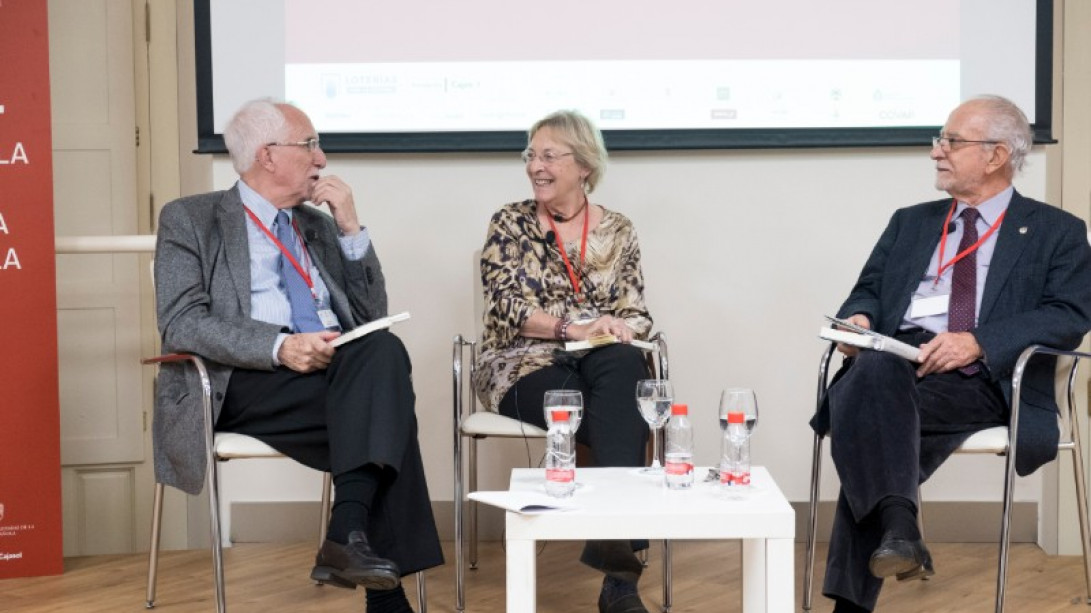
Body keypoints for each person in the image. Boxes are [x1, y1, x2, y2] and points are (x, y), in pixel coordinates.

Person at [153, 98, 442, 613]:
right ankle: (378, 586)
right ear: (267, 155)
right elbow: (182, 322)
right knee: (386, 413)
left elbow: (370, 312)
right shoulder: (192, 219)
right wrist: (279, 347)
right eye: (310, 145)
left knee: (382, 351)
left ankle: (347, 535)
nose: (322, 159)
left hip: (337, 370)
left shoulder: (319, 225)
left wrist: (351, 229)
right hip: (245, 378)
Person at [812, 94, 1091, 612]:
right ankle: (899, 527)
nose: (936, 151)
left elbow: (1069, 315)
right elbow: (867, 289)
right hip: (895, 359)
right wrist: (860, 320)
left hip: (982, 376)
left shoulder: (1057, 231)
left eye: (951, 141)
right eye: (939, 140)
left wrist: (980, 340)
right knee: (875, 374)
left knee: (871, 421)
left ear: (996, 155)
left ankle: (884, 550)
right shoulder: (910, 222)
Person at [473, 109, 655, 613]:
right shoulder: (509, 222)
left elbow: (636, 311)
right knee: (616, 413)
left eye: (549, 155)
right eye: (530, 155)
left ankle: (615, 562)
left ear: (583, 165)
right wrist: (572, 328)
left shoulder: (617, 229)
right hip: (521, 362)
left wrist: (619, 328)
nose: (536, 166)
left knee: (623, 366)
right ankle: (621, 575)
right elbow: (504, 305)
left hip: (598, 356)